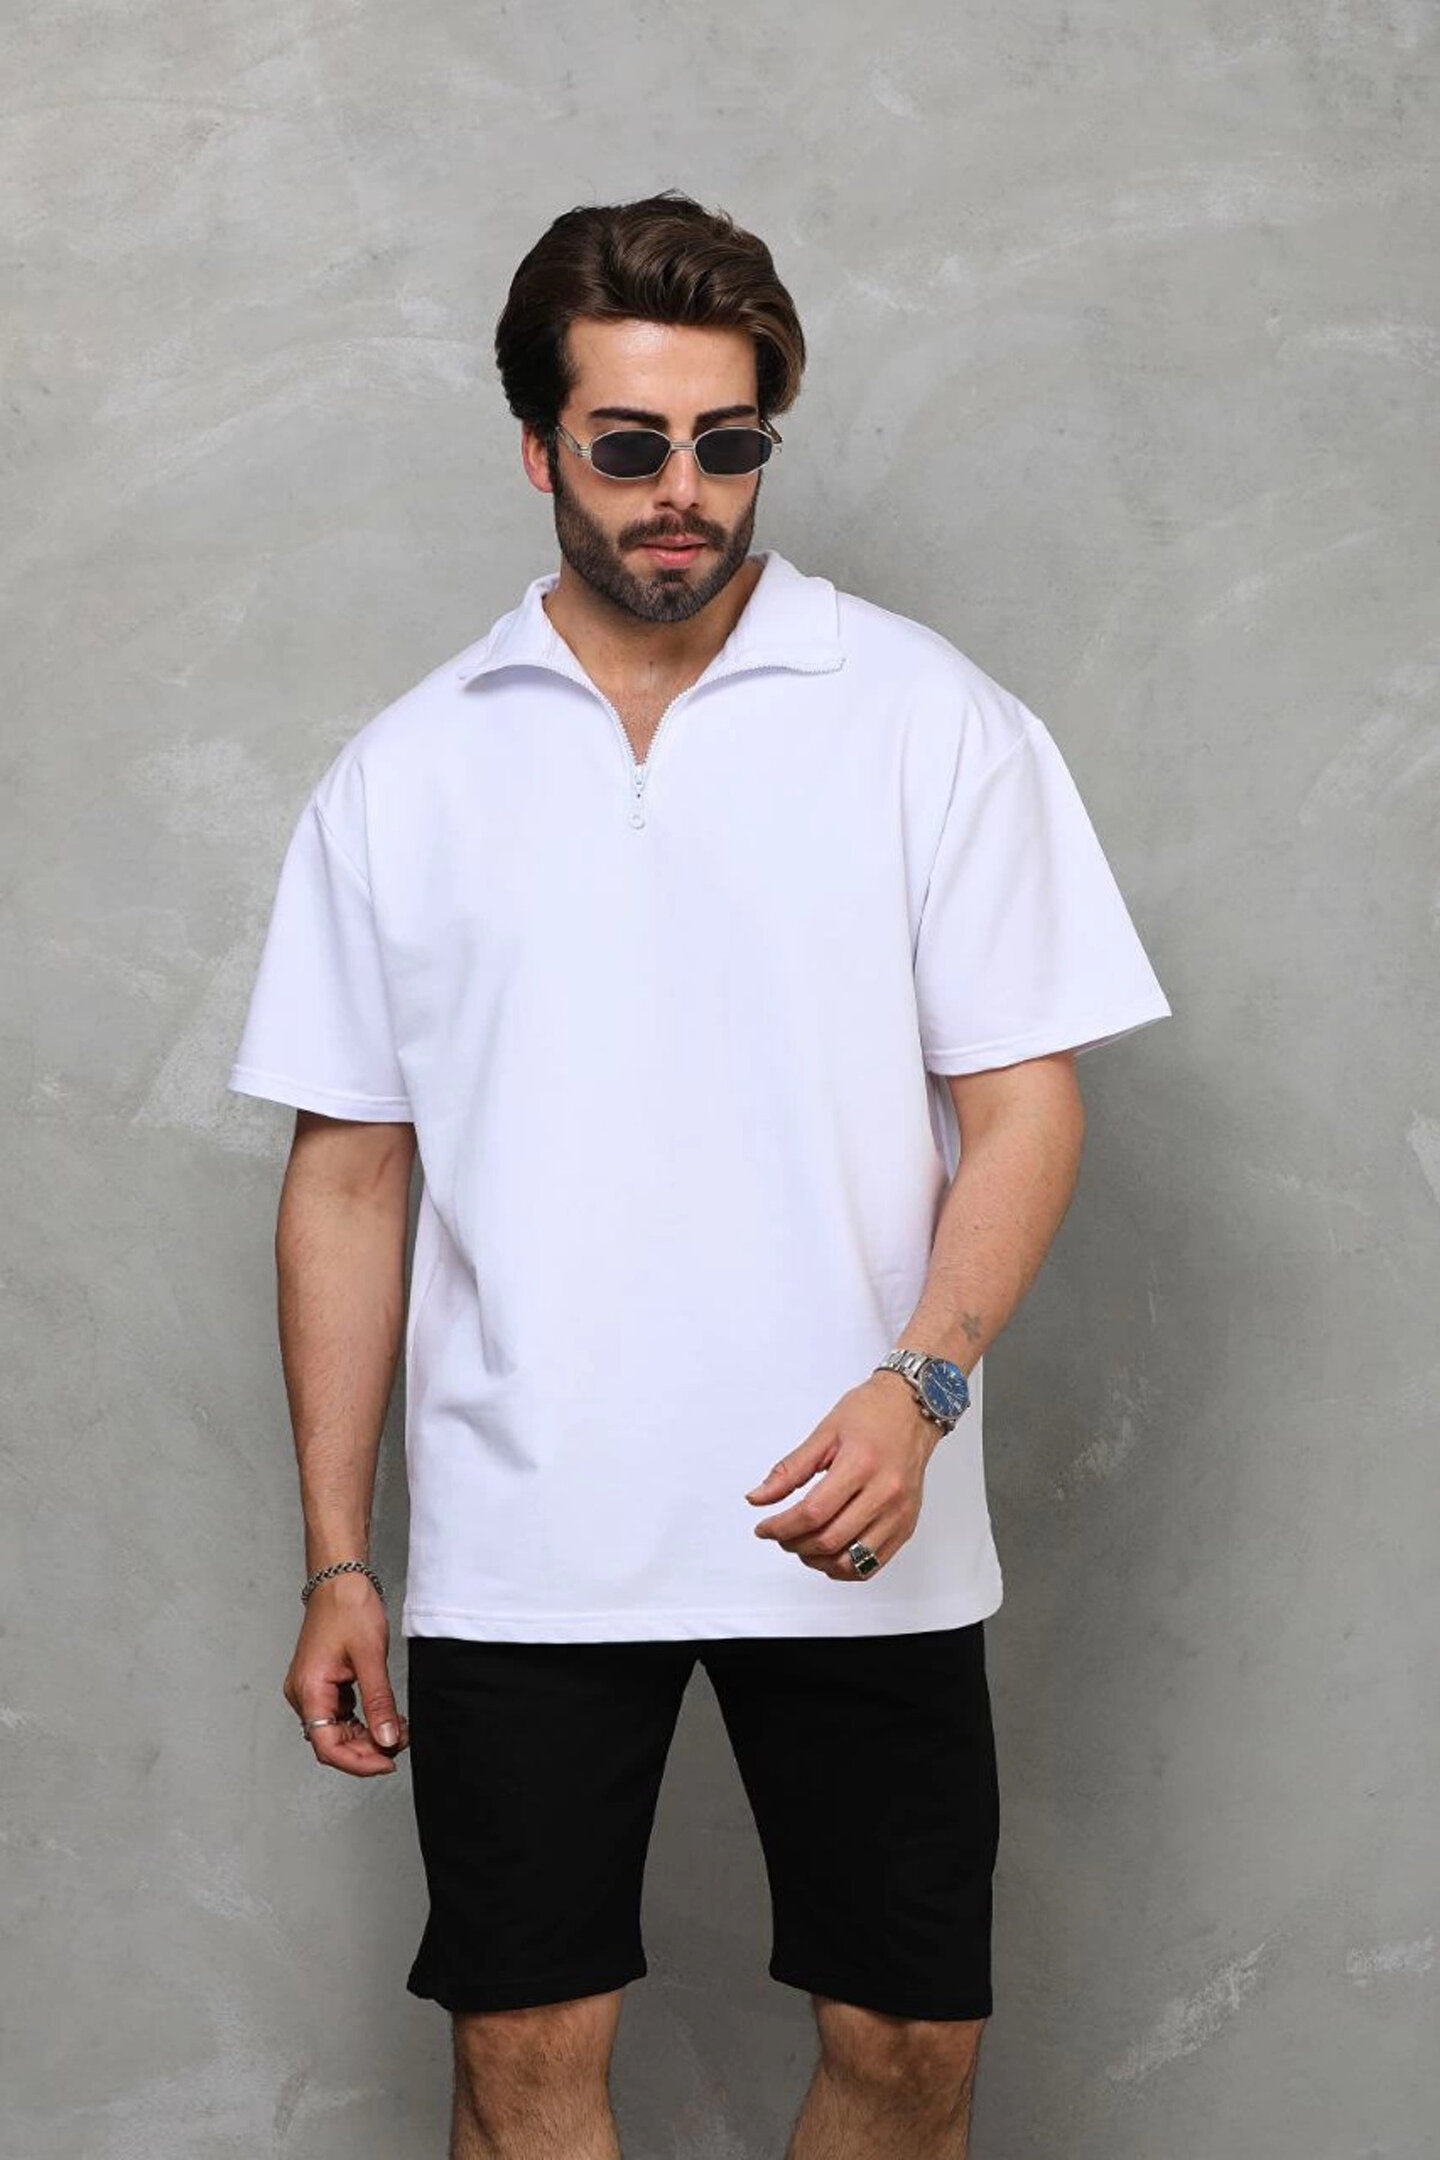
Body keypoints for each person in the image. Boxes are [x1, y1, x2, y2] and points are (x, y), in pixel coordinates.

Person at [228, 188, 1172, 2160]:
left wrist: (925, 1382)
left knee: (909, 2048)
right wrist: (338, 1555)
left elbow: (1027, 1103)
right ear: (538, 450)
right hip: (525, 1527)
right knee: (520, 2063)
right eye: (629, 444)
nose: (684, 492)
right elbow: (349, 1181)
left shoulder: (927, 720)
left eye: (728, 444)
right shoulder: (409, 771)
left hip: (862, 1507)